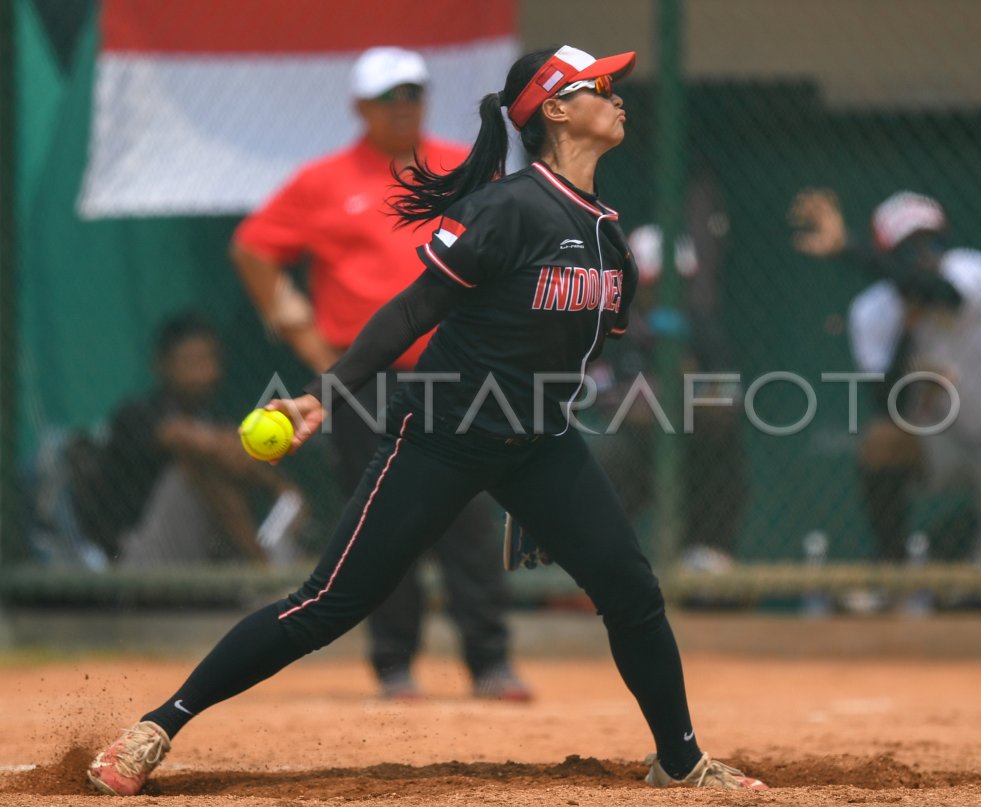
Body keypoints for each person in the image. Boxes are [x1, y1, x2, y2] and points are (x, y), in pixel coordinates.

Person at [86, 45, 768, 795]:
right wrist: (326, 391)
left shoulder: (609, 237)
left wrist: (538, 494)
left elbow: (563, 360)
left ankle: (680, 759)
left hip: (538, 444)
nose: (617, 96)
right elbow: (415, 308)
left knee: (632, 590)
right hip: (440, 434)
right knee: (326, 605)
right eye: (597, 85)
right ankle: (155, 727)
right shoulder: (506, 208)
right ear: (555, 109)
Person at [230, 47, 528, 701]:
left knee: (471, 518)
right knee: (381, 519)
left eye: (413, 93)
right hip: (366, 381)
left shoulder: (463, 164)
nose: (403, 106)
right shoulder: (324, 180)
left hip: (459, 372)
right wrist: (299, 329)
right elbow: (254, 246)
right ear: (360, 107)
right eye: (390, 96)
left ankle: (491, 661)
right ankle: (394, 663)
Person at [792, 189, 981, 572]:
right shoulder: (872, 311)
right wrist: (907, 333)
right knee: (882, 442)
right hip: (948, 440)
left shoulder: (972, 270)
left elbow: (942, 294)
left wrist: (847, 248)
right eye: (909, 250)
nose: (926, 256)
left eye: (934, 243)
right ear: (889, 258)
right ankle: (892, 571)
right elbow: (886, 406)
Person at [588, 166, 747, 573]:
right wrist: (678, 395)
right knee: (602, 455)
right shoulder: (610, 329)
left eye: (683, 282)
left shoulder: (703, 330)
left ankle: (705, 556)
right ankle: (595, 560)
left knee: (723, 452)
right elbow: (610, 403)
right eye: (661, 283)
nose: (673, 295)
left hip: (694, 448)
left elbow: (728, 403)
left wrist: (669, 391)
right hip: (633, 452)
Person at [70, 313, 304, 566]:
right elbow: (185, 439)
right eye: (191, 362)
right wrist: (230, 449)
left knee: (283, 497)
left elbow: (231, 453)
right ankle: (264, 571)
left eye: (209, 360)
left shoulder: (214, 415)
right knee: (196, 463)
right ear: (162, 365)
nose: (203, 373)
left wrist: (276, 485)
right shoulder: (137, 412)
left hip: (202, 553)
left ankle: (268, 567)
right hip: (136, 559)